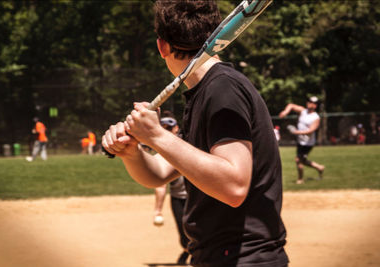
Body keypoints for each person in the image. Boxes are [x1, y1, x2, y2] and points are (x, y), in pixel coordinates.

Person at [102, 1, 288, 266]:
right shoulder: (206, 91)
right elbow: (159, 174)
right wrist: (132, 152)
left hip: (243, 258)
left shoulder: (223, 89)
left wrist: (156, 136)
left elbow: (234, 186)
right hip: (217, 256)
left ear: (162, 46)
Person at [152, 111, 190, 264]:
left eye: (169, 128)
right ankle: (187, 250)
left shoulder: (189, 143)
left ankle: (195, 255)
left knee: (198, 232)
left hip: (196, 197)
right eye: (164, 129)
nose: (167, 132)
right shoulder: (163, 152)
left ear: (176, 129)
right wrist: (158, 210)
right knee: (183, 236)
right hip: (177, 198)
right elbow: (160, 185)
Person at [279, 96, 325, 184]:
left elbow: (310, 131)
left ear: (315, 106)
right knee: (302, 160)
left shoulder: (316, 117)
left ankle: (300, 179)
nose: (309, 103)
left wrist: (296, 132)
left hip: (308, 143)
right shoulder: (303, 111)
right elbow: (291, 105)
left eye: (312, 102)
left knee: (298, 160)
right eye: (308, 101)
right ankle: (319, 167)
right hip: (300, 141)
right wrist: (285, 112)